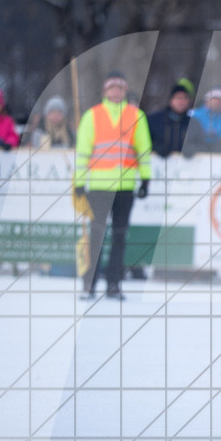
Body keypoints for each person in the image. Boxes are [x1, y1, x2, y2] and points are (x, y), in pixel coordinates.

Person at [73, 71, 152, 299]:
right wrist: (79, 182)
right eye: (112, 87)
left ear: (125, 90)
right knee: (96, 237)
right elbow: (83, 152)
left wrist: (146, 179)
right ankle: (89, 283)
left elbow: (143, 151)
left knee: (119, 236)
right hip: (99, 187)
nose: (116, 91)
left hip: (125, 187)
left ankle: (114, 283)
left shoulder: (136, 115)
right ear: (105, 91)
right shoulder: (92, 115)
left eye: (119, 87)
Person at [146, 79, 193, 158]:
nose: (182, 101)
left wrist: (194, 148)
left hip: (186, 165)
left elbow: (203, 145)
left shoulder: (193, 123)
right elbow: (142, 142)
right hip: (157, 163)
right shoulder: (153, 120)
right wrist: (155, 147)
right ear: (171, 100)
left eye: (185, 98)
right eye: (178, 98)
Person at [184, 86, 221, 155]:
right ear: (207, 100)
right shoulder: (192, 114)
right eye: (214, 99)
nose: (216, 102)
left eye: (220, 101)